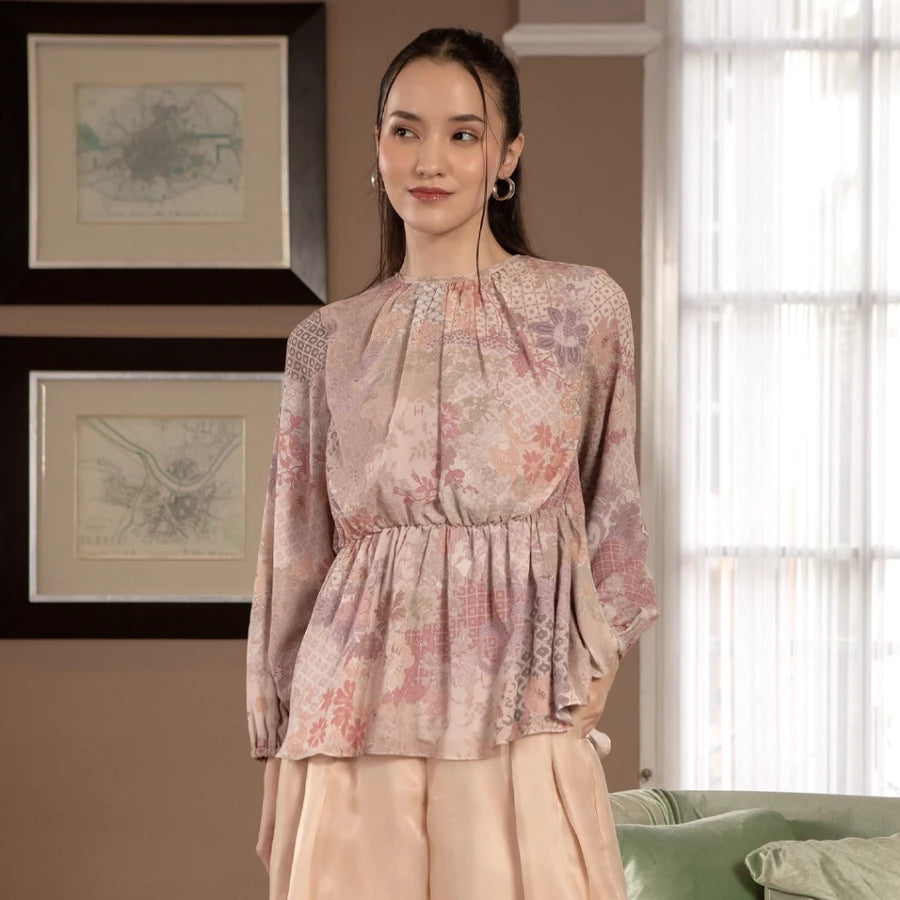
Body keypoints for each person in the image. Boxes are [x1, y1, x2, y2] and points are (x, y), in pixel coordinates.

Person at [246, 26, 659, 900]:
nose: (429, 160)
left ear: (506, 156)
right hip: (349, 715)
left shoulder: (582, 310)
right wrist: (282, 734)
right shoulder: (325, 341)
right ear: (378, 147)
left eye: (463, 134)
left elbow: (614, 508)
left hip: (519, 697)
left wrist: (598, 663)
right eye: (406, 130)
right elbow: (296, 555)